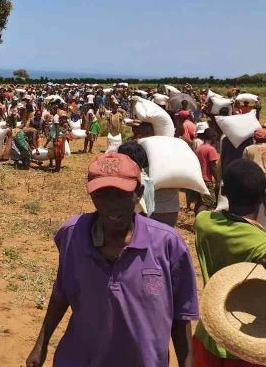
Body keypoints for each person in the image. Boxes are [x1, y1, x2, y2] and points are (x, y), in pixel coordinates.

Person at [26, 153, 198, 367]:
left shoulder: (167, 244)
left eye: (121, 195)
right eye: (102, 195)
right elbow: (61, 293)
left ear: (139, 193)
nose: (111, 204)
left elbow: (181, 317)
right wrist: (41, 345)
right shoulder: (74, 234)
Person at [192, 159, 266, 366]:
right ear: (265, 195)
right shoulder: (264, 246)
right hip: (247, 344)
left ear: (224, 192)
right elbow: (248, 236)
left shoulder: (203, 223)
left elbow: (235, 230)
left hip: (209, 334)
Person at [242, 128, 266, 228]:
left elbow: (244, 166)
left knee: (253, 205)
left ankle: (252, 228)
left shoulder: (248, 149)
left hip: (254, 179)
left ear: (255, 138)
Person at [191, 129, 219, 214]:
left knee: (200, 201)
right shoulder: (211, 149)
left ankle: (197, 219)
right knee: (208, 202)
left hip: (198, 178)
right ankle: (200, 218)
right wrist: (217, 179)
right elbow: (213, 166)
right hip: (206, 179)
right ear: (212, 137)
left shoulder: (199, 148)